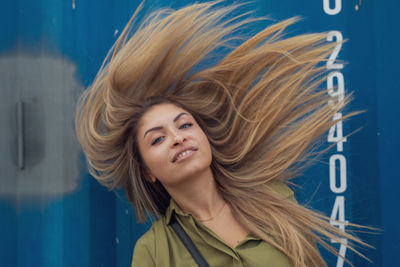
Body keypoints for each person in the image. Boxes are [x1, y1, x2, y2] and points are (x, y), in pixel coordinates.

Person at [75, 1, 369, 266]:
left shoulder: (272, 198)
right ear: (147, 170)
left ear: (205, 137)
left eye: (185, 125)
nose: (178, 137)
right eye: (158, 138)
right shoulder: (153, 251)